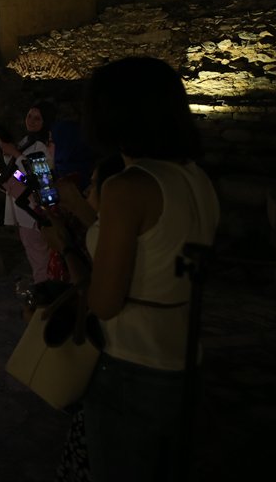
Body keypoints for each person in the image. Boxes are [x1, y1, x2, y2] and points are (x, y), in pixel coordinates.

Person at [52, 57, 219, 482]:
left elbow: (105, 302)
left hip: (133, 368)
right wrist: (80, 211)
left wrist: (67, 248)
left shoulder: (127, 187)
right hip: (183, 359)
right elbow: (146, 249)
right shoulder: (193, 177)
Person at [0, 103, 56, 284]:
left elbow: (39, 177)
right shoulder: (28, 140)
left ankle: (46, 296)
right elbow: (21, 173)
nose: (32, 120)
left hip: (32, 210)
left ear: (45, 122)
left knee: (40, 259)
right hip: (24, 208)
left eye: (37, 118)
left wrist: (13, 152)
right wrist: (8, 154)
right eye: (29, 116)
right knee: (35, 255)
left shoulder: (41, 145)